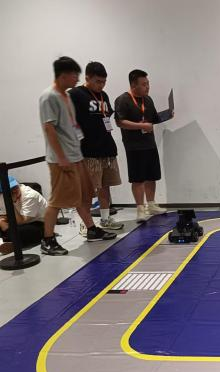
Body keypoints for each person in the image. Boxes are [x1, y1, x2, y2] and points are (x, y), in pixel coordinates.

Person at [39, 56, 116, 256]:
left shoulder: (65, 97)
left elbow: (73, 126)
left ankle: (91, 229)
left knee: (84, 195)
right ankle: (47, 240)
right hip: (62, 159)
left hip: (76, 155)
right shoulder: (49, 97)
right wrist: (61, 157)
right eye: (74, 75)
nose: (77, 79)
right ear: (63, 75)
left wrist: (76, 153)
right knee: (57, 200)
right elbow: (49, 128)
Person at [70, 61, 124, 232]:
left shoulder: (103, 95)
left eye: (104, 82)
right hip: (88, 151)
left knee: (104, 186)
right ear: (87, 78)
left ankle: (105, 219)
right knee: (87, 190)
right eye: (98, 81)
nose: (101, 85)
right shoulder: (75, 94)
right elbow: (69, 120)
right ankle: (86, 224)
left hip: (106, 148)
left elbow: (106, 118)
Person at [114, 69, 172, 223]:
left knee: (152, 176)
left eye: (148, 83)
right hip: (134, 146)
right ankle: (140, 209)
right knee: (138, 179)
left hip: (149, 143)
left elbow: (153, 118)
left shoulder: (148, 99)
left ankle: (151, 205)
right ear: (134, 85)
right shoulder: (123, 100)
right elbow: (120, 122)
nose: (147, 87)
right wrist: (141, 126)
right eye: (144, 84)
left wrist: (168, 114)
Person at [0, 176, 47, 254]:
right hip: (16, 222)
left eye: (15, 187)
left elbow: (21, 221)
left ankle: (12, 243)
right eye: (10, 190)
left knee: (20, 231)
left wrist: (10, 202)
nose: (14, 191)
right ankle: (9, 241)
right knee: (8, 228)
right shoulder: (2, 197)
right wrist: (2, 222)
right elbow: (3, 215)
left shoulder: (30, 195)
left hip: (39, 223)